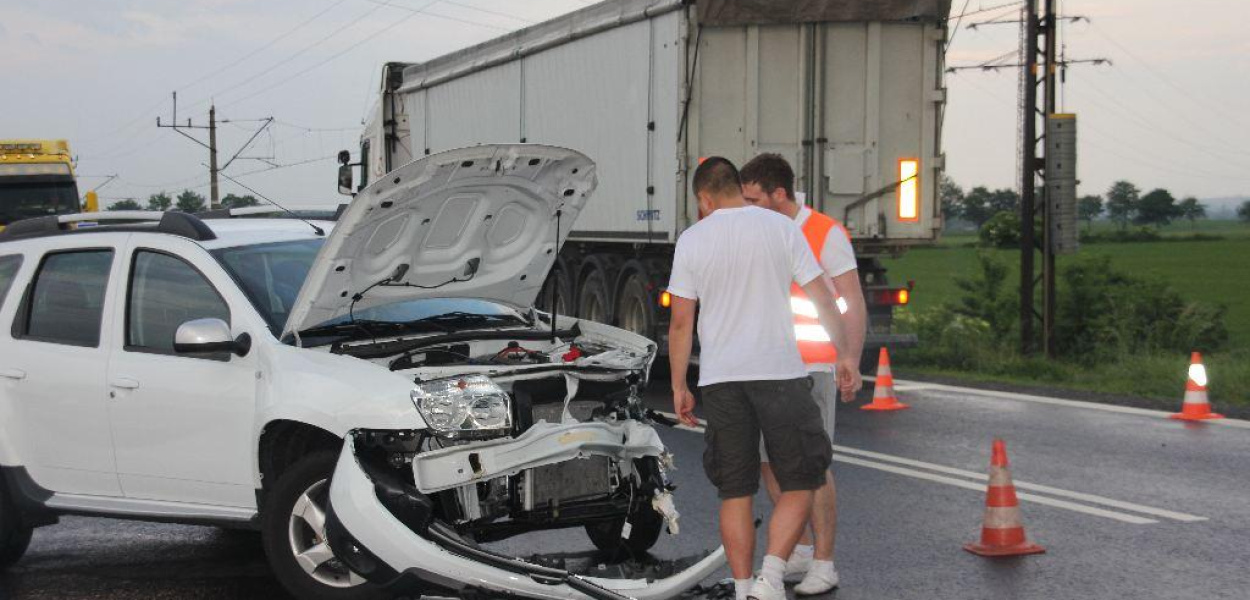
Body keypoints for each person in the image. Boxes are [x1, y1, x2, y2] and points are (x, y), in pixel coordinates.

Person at [667, 157, 862, 600]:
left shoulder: (693, 239)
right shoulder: (780, 228)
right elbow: (823, 297)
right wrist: (845, 353)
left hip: (721, 381)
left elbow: (681, 323)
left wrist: (680, 385)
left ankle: (741, 588)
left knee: (734, 492)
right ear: (738, 187)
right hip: (780, 374)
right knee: (802, 480)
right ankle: (770, 578)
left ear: (704, 198)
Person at [740, 153, 868, 595]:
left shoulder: (823, 233)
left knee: (812, 467)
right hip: (763, 364)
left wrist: (848, 357)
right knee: (770, 464)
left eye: (754, 198)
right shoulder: (757, 231)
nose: (747, 206)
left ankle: (826, 563)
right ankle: (802, 549)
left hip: (811, 365)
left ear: (779, 194)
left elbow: (851, 299)